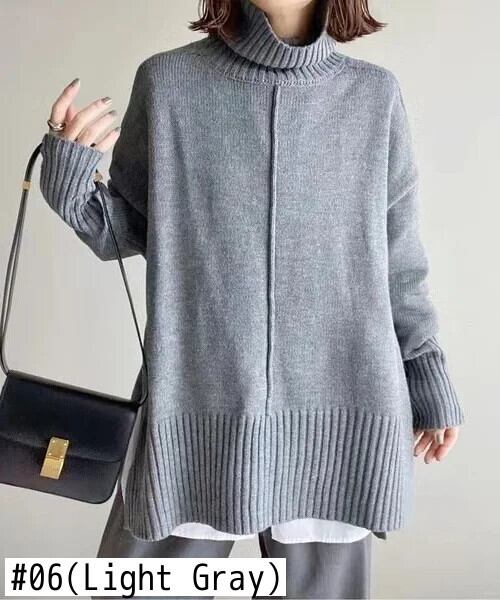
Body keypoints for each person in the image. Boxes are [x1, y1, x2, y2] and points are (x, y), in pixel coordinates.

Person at [39, 0, 465, 597]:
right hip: (196, 412)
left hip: (341, 416)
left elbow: (400, 264)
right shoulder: (168, 82)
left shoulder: (374, 96)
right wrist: (69, 177)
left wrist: (427, 376)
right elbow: (126, 229)